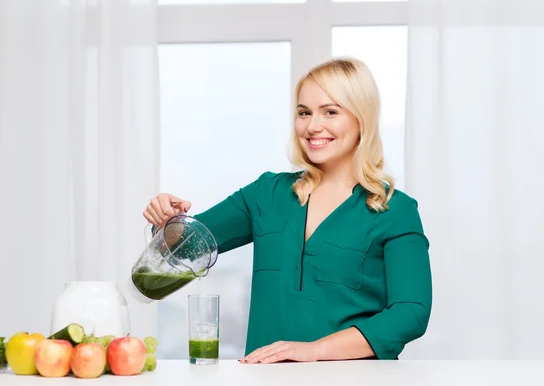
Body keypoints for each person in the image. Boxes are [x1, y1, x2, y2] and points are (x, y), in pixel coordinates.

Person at [143, 58, 432, 363]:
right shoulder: (268, 194)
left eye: (330, 112)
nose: (312, 126)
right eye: (303, 113)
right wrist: (167, 220)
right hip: (265, 377)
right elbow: (184, 245)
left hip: (353, 378)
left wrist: (315, 350)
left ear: (362, 119)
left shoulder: (394, 210)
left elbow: (410, 312)